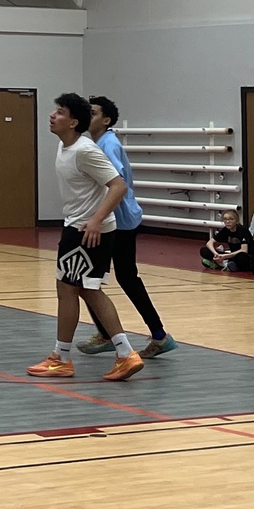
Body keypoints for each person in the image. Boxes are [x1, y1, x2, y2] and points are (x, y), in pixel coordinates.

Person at [26, 93, 143, 383]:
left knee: (68, 289)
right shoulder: (65, 145)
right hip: (79, 227)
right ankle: (123, 353)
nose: (53, 115)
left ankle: (62, 358)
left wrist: (96, 220)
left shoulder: (85, 150)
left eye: (60, 112)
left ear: (74, 122)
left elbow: (118, 186)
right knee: (87, 289)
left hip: (86, 230)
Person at [77, 96, 175, 360]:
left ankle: (114, 335)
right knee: (115, 278)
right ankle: (157, 335)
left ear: (106, 119)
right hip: (116, 221)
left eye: (93, 113)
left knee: (90, 278)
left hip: (116, 222)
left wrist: (98, 219)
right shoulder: (96, 143)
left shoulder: (108, 144)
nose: (88, 116)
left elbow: (116, 185)